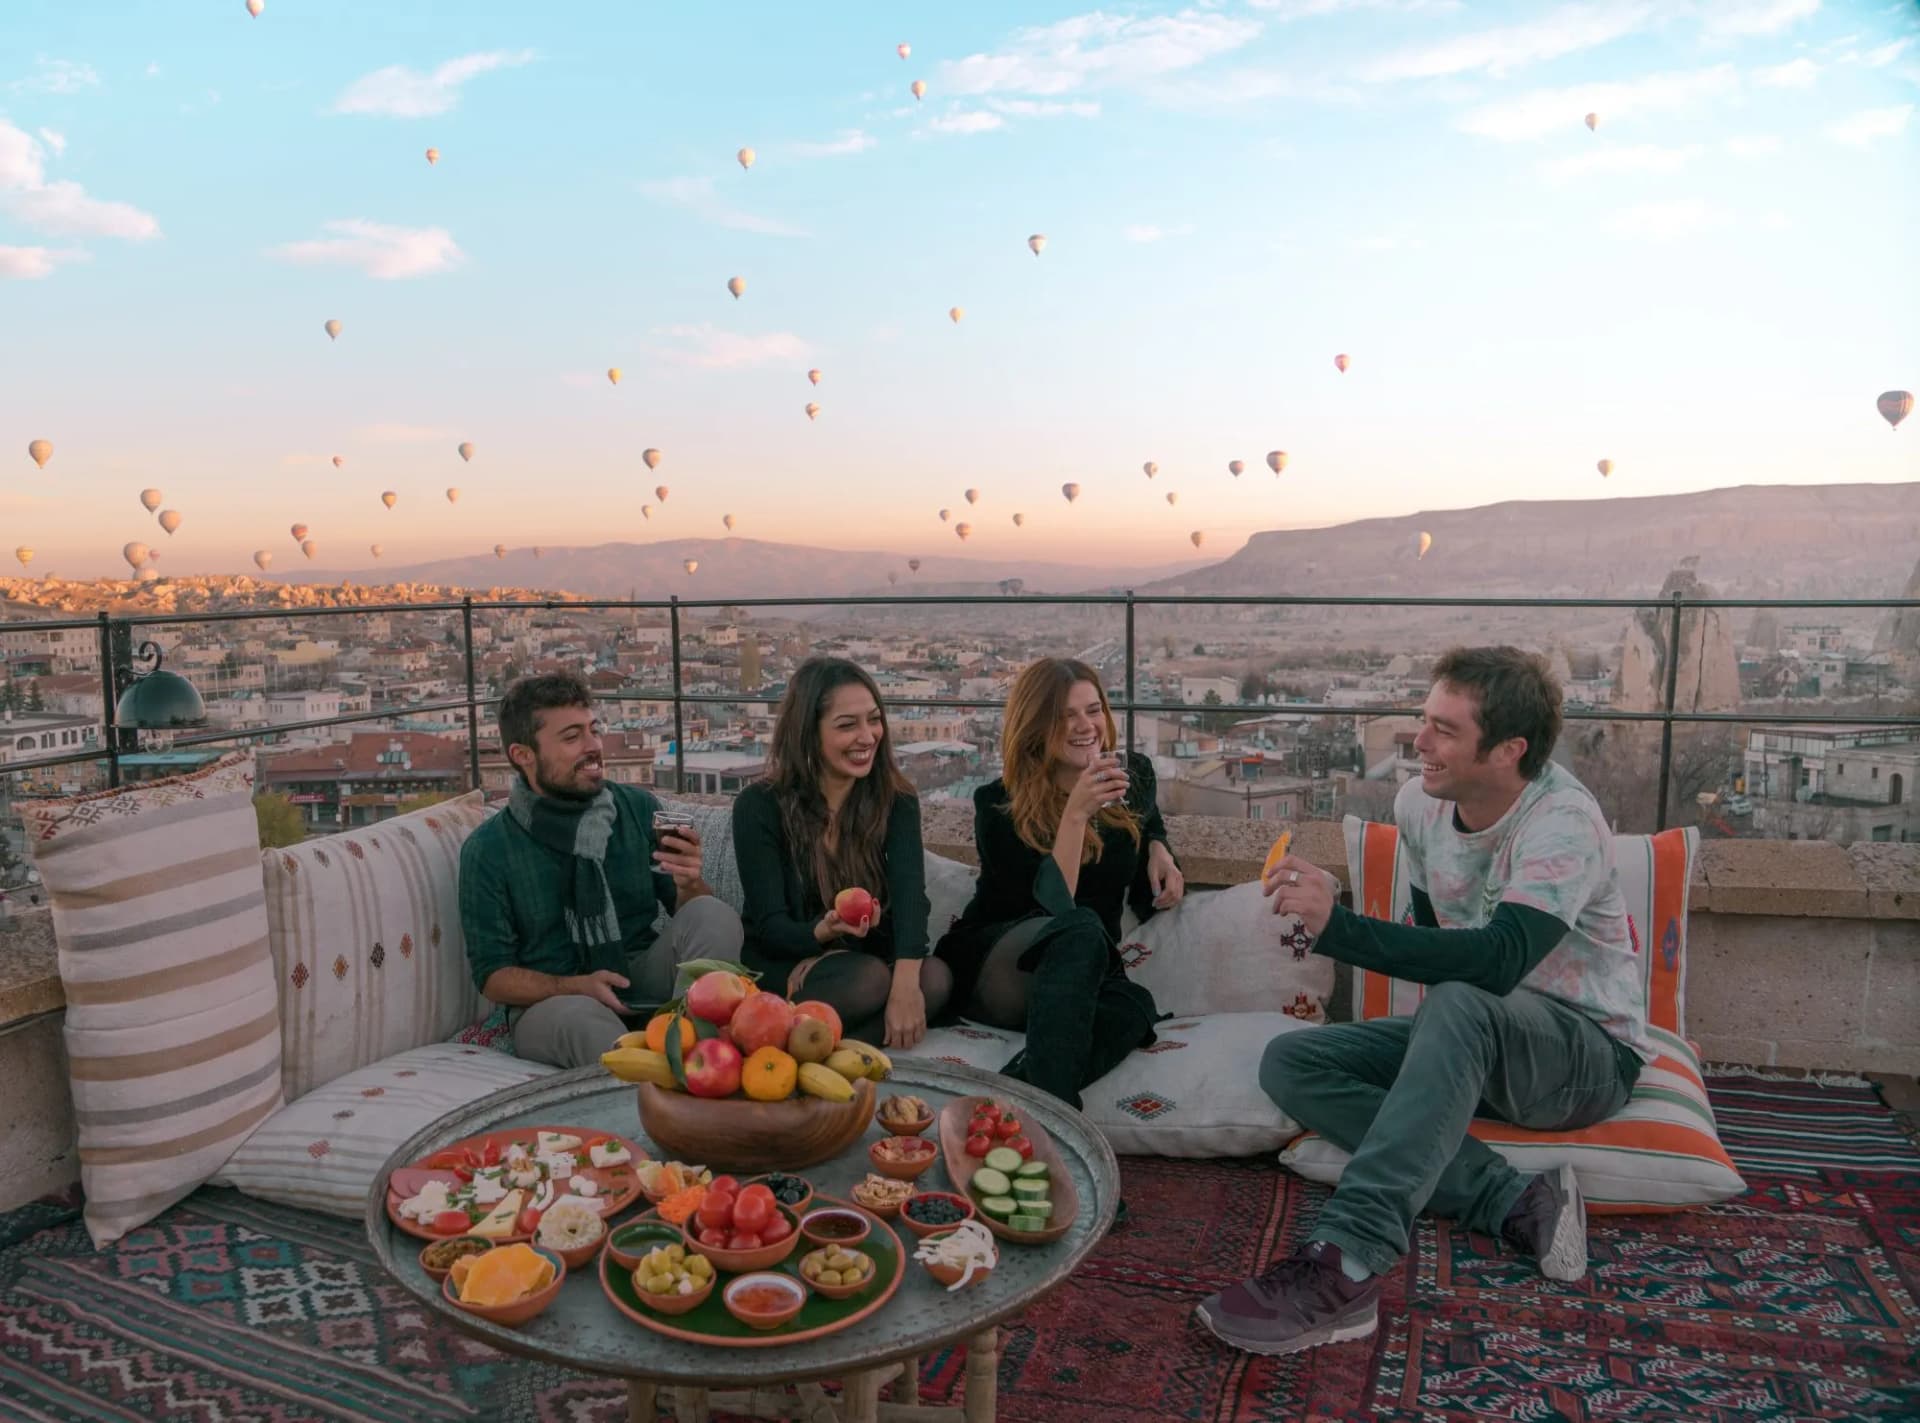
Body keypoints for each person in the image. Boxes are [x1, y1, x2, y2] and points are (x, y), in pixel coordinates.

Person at [1196, 646, 1647, 1357]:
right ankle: (1515, 1199)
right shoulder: (1421, 805)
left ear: (1507, 750)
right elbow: (1441, 949)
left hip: (1582, 1057)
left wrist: (1336, 928)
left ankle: (1344, 1263)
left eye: (1444, 729)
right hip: (1475, 1036)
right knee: (1291, 1063)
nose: (1420, 742)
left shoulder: (1562, 824)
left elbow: (1495, 963)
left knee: (1466, 1000)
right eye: (1422, 719)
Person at [460, 672, 744, 1070]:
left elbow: (690, 912)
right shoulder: (488, 850)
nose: (594, 747)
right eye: (572, 737)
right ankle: (653, 1103)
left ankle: (701, 1055)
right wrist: (575, 986)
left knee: (715, 915)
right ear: (523, 755)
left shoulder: (636, 809)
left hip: (637, 973)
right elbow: (493, 976)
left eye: (594, 730)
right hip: (554, 1000)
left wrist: (689, 881)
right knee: (585, 1023)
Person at [936, 657, 1181, 1108]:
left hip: (1079, 977)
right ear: (1035, 725)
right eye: (1064, 716)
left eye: (1093, 710)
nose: (1085, 725)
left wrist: (1159, 849)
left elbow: (1147, 822)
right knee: (1081, 926)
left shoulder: (1133, 773)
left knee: (1134, 1005)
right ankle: (1058, 1122)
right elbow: (1050, 909)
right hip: (1003, 963)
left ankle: (1024, 1097)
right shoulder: (996, 803)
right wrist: (1076, 815)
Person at [731, 657, 953, 1048]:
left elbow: (910, 898)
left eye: (874, 719)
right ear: (808, 734)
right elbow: (770, 928)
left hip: (863, 959)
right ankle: (780, 1037)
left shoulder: (896, 800)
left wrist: (905, 984)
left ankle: (813, 1049)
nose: (868, 736)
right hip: (788, 962)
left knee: (932, 978)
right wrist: (822, 933)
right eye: (847, 725)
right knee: (867, 980)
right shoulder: (759, 805)